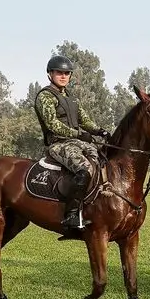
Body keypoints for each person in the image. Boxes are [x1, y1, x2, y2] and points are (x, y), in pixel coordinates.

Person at [33, 55, 112, 233]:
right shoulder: (45, 96)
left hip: (77, 142)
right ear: (50, 74)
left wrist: (99, 131)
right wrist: (78, 134)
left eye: (66, 73)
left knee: (103, 160)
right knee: (84, 169)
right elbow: (52, 124)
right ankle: (71, 215)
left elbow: (85, 120)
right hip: (59, 144)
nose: (63, 76)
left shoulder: (72, 98)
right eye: (59, 72)